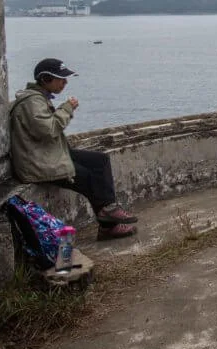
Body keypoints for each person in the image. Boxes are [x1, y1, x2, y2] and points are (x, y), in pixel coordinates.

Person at [8, 58, 138, 240]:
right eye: (60, 78)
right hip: (38, 162)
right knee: (87, 177)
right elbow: (49, 129)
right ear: (45, 79)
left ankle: (109, 210)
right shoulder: (32, 103)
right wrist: (67, 108)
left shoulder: (38, 98)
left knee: (99, 161)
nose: (65, 82)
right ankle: (108, 226)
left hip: (47, 154)